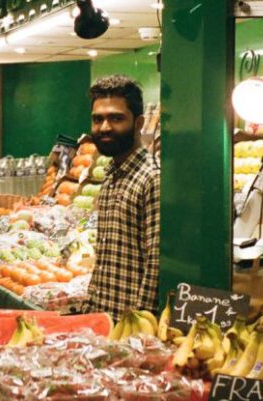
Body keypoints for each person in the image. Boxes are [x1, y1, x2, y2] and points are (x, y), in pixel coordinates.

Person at [84, 75, 161, 317]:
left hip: (131, 327)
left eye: (116, 118)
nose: (104, 127)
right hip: (103, 317)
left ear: (139, 124)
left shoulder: (152, 178)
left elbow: (156, 264)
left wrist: (140, 325)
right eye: (98, 119)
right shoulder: (110, 176)